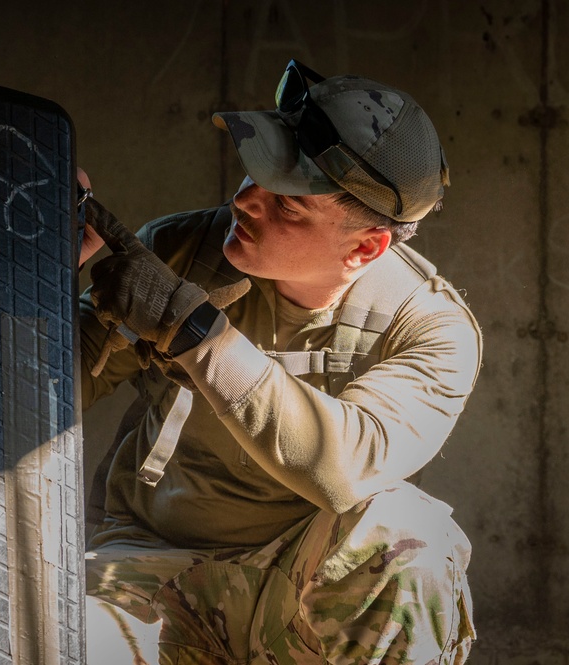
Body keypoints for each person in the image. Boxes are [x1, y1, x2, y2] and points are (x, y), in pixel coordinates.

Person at [77, 60, 482, 665]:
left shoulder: (429, 327)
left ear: (365, 246)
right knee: (33, 631)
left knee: (410, 539)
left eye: (288, 204)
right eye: (253, 174)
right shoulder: (184, 252)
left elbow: (344, 465)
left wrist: (191, 329)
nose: (245, 200)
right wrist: (32, 268)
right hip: (146, 567)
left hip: (297, 595)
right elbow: (32, 392)